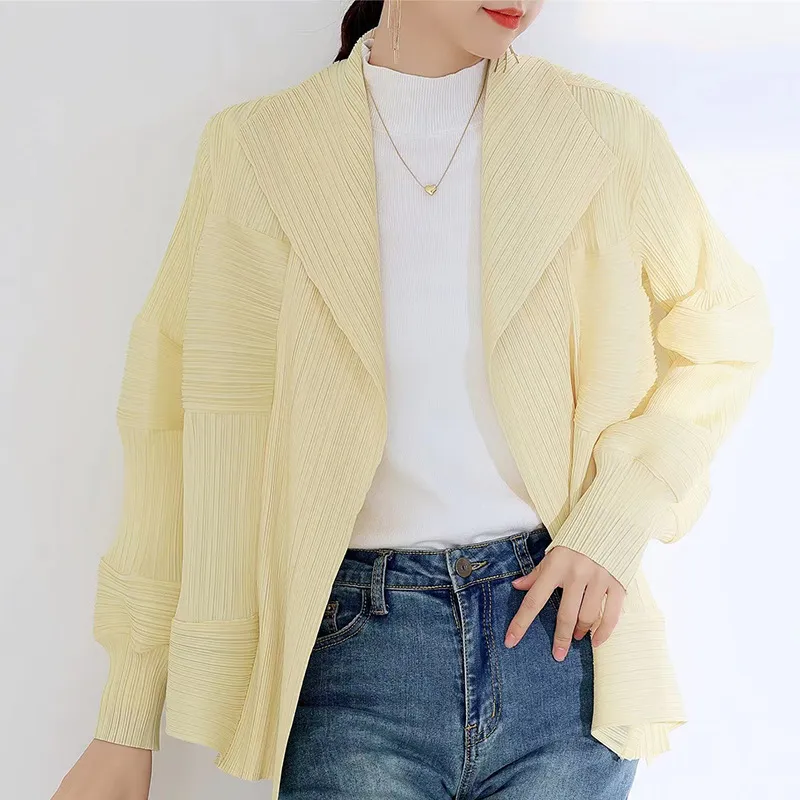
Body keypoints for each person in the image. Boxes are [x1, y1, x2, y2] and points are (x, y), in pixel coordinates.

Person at [52, 2, 774, 799]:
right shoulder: (258, 150)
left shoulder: (601, 132)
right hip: (354, 659)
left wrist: (613, 524)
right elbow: (173, 432)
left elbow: (727, 333)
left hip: (562, 651)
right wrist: (125, 719)